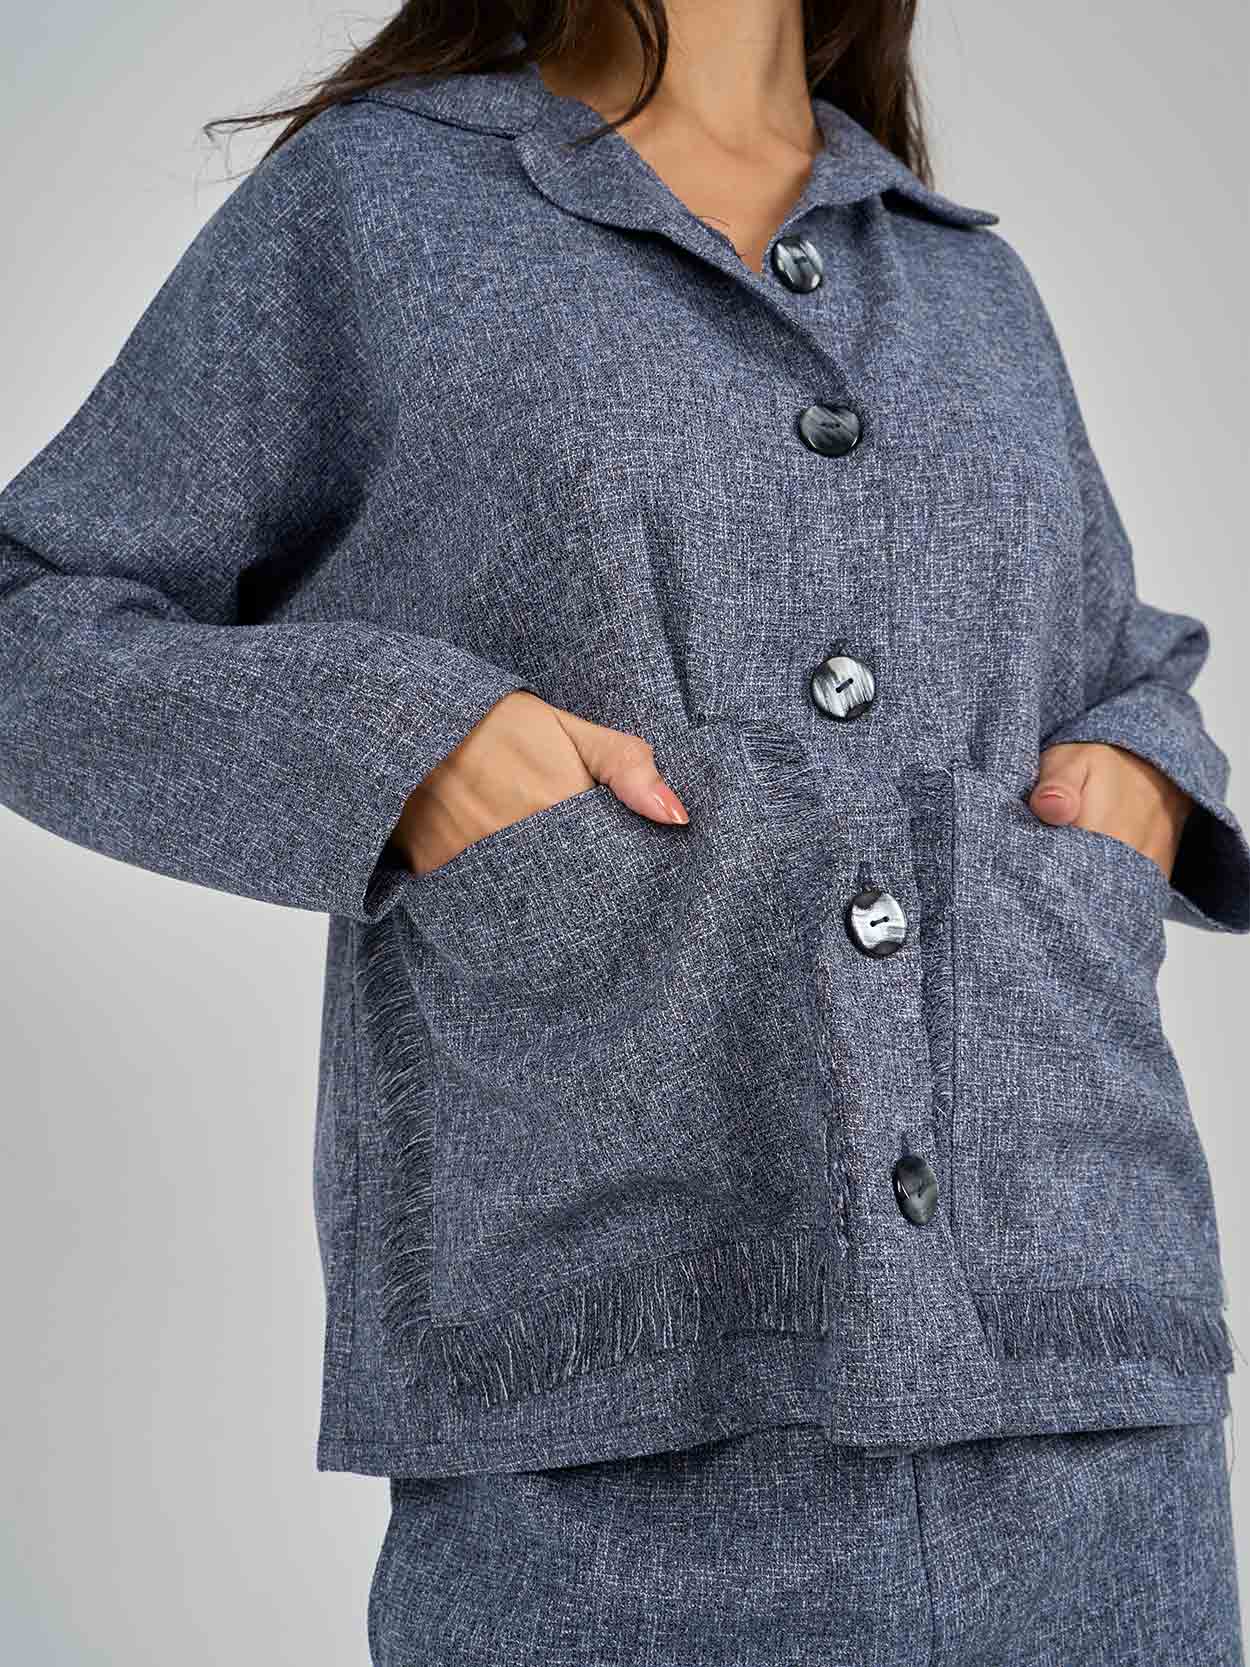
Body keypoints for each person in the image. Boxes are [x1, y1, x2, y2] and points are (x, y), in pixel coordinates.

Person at [1, 3, 1246, 1662]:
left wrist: (1140, 780)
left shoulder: (965, 279)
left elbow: (1114, 663)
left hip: (1081, 1386)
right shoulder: (376, 210)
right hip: (606, 1385)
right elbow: (30, 619)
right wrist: (406, 747)